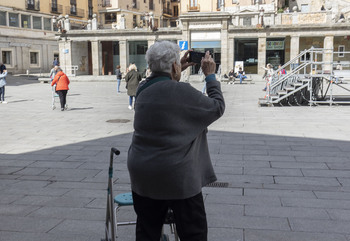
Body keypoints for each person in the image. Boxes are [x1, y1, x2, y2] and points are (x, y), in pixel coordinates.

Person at [127, 40, 225, 241]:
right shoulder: (183, 92)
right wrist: (210, 76)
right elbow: (217, 107)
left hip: (143, 174)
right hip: (178, 177)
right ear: (174, 66)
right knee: (193, 232)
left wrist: (176, 68)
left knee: (147, 231)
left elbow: (164, 86)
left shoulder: (143, 89)